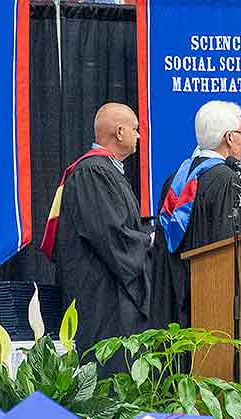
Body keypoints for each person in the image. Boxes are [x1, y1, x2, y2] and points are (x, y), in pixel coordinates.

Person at [42, 103, 153, 376]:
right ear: (119, 132)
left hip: (111, 294)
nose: (139, 136)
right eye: (135, 129)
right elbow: (110, 234)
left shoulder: (107, 171)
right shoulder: (92, 171)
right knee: (110, 375)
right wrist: (149, 241)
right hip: (103, 298)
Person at [146, 100, 241, 330]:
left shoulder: (174, 181)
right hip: (213, 310)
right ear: (228, 138)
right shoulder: (228, 181)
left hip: (174, 309)